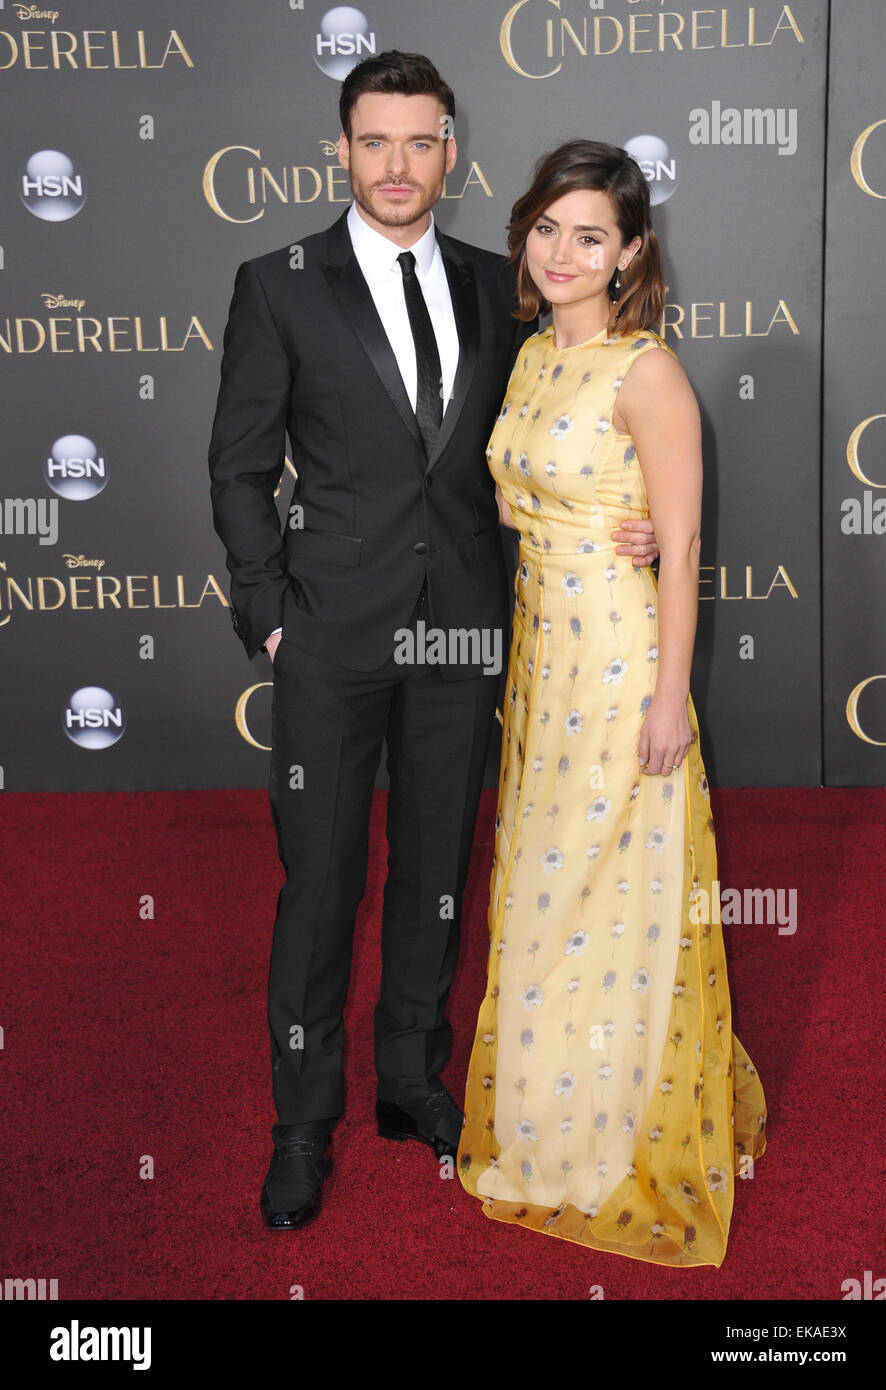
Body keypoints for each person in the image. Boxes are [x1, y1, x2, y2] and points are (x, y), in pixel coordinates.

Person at [208, 56, 658, 1233]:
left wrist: (639, 506)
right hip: (327, 636)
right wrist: (268, 613)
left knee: (434, 873)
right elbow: (239, 466)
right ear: (341, 151)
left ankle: (410, 1079)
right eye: (375, 143)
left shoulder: (490, 284)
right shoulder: (278, 283)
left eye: (420, 142)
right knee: (320, 883)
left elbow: (559, 421)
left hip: (465, 627)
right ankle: (302, 1121)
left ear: (449, 149)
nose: (397, 166)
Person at [457, 140, 767, 1266]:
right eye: (546, 228)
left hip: (622, 660)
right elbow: (521, 501)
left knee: (617, 886)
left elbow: (678, 545)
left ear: (629, 251)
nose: (562, 251)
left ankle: (610, 1120)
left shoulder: (647, 371)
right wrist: (599, 521)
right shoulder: (533, 354)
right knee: (543, 885)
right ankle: (547, 1108)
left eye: (589, 234)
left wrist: (668, 697)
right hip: (544, 659)